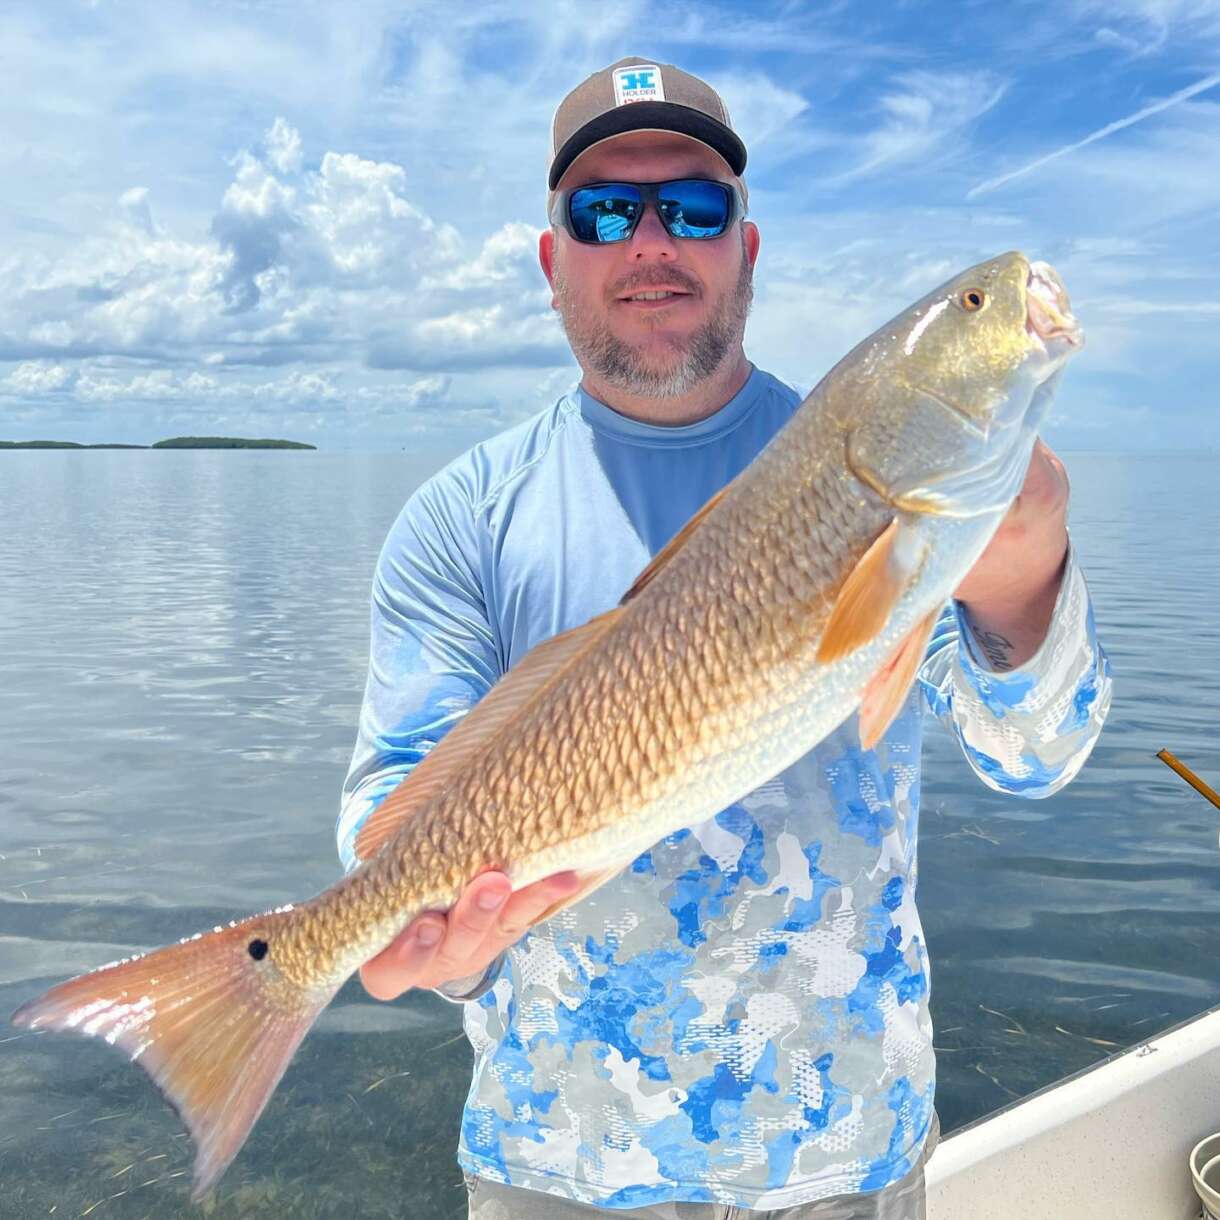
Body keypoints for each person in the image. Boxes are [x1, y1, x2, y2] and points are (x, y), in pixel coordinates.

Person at [337, 58, 1112, 1220]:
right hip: (558, 1164)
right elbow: (395, 817)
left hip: (847, 1152)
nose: (652, 240)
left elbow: (1033, 758)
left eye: (694, 206)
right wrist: (433, 939)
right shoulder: (461, 517)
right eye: (603, 211)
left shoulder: (910, 490)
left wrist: (1020, 584)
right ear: (554, 262)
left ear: (745, 247)